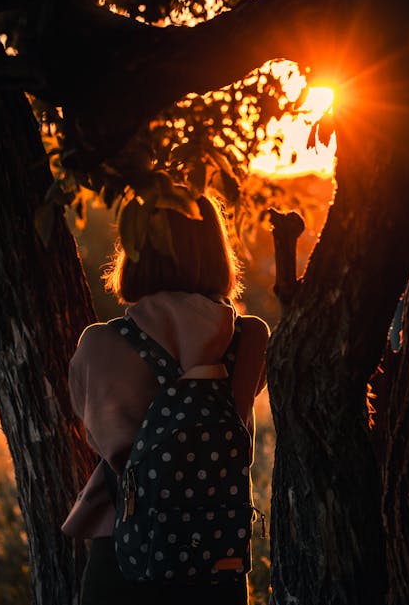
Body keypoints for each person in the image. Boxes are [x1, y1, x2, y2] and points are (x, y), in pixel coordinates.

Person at [62, 194, 270, 605]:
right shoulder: (251, 338)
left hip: (124, 550)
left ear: (136, 252)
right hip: (215, 550)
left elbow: (95, 437)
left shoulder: (99, 343)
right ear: (216, 249)